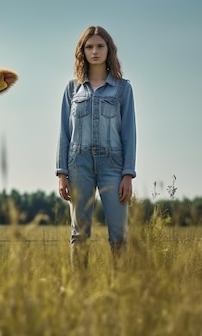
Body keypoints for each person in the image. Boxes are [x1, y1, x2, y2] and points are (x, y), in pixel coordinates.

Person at [56, 25, 137, 269]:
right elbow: (64, 132)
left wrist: (127, 174)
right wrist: (61, 173)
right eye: (89, 47)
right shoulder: (72, 89)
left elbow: (129, 133)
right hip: (78, 163)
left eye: (100, 46)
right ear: (82, 52)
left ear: (108, 49)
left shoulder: (123, 89)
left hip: (113, 165)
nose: (95, 51)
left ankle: (121, 290)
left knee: (119, 234)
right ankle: (79, 291)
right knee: (79, 234)